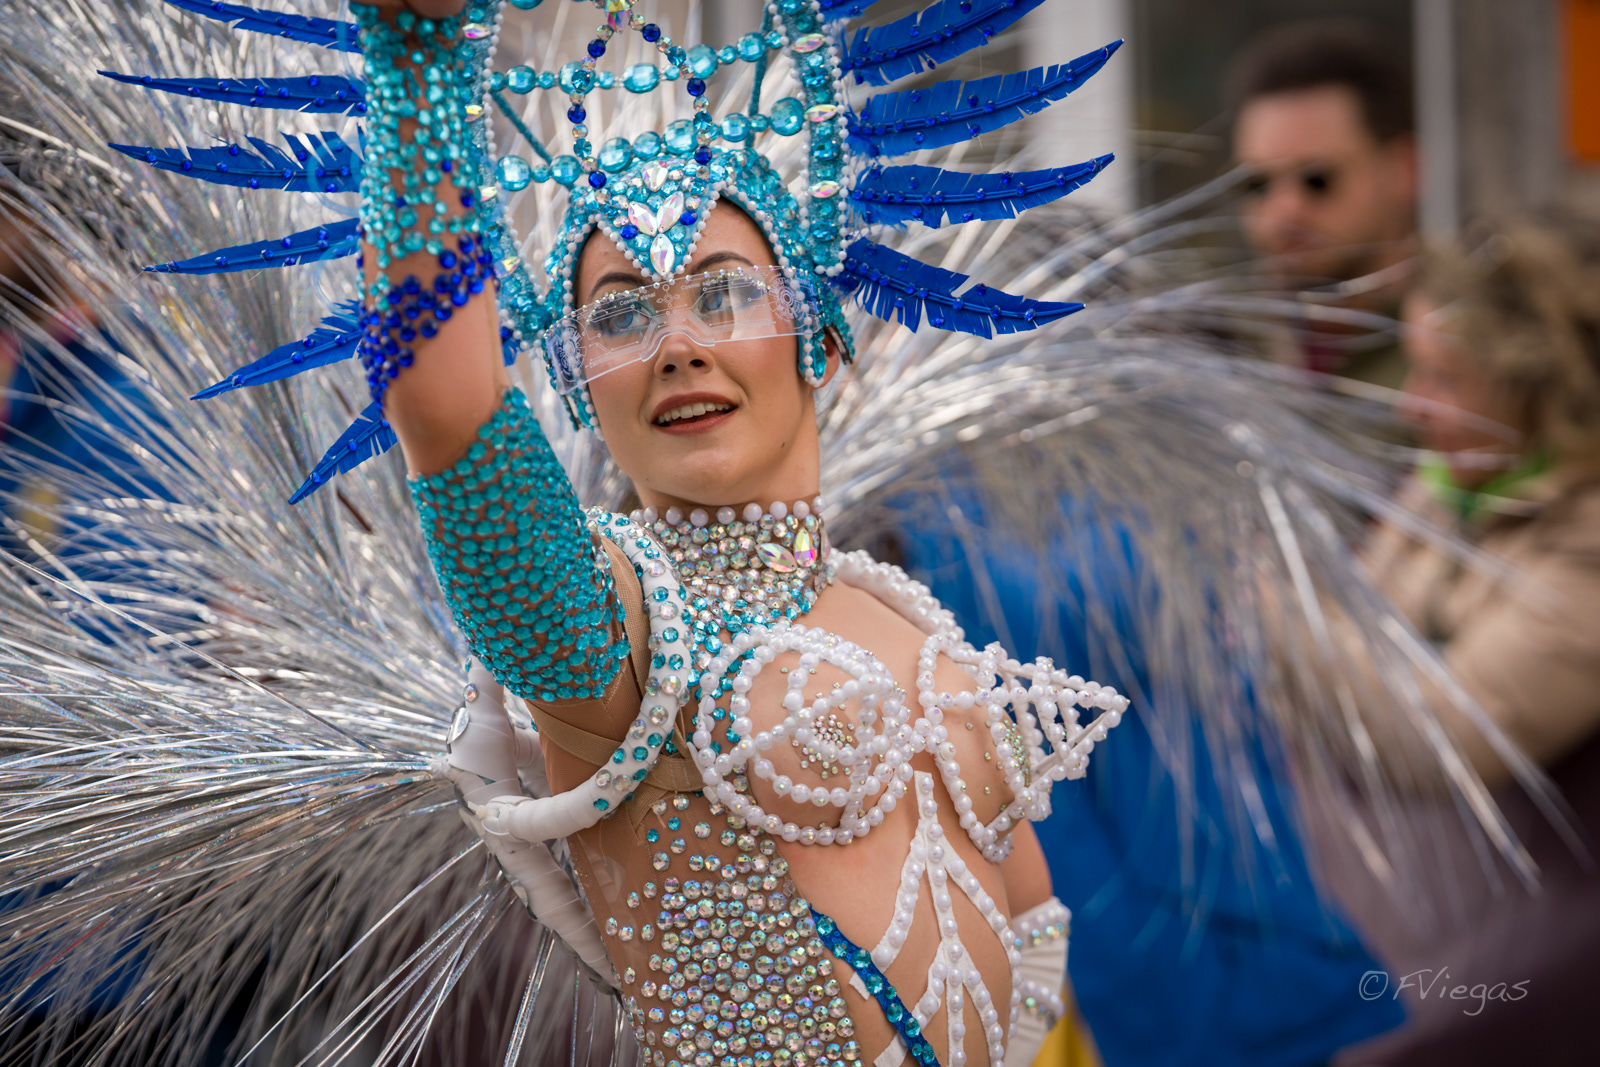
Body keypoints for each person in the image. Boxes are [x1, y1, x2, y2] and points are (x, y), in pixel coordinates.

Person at [1324, 222, 1600, 1065]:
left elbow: (1445, 736)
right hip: (1440, 917)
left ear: (1534, 387)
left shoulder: (1584, 539)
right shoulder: (1449, 484)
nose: (1410, 403)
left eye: (1444, 376)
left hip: (1549, 953)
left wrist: (1277, 606)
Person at [1227, 21, 1419, 389]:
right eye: (1257, 184)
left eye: (1317, 179)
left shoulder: (1463, 351)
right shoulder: (1218, 348)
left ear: (1404, 169)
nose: (1284, 210)